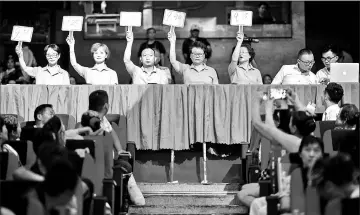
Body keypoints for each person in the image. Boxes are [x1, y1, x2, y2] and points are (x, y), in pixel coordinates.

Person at [249, 136, 325, 215]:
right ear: (300, 154)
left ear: (322, 154)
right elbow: (291, 202)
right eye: (307, 150)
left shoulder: (328, 172)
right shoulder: (296, 172)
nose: (311, 154)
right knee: (256, 204)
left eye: (316, 150)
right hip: (292, 205)